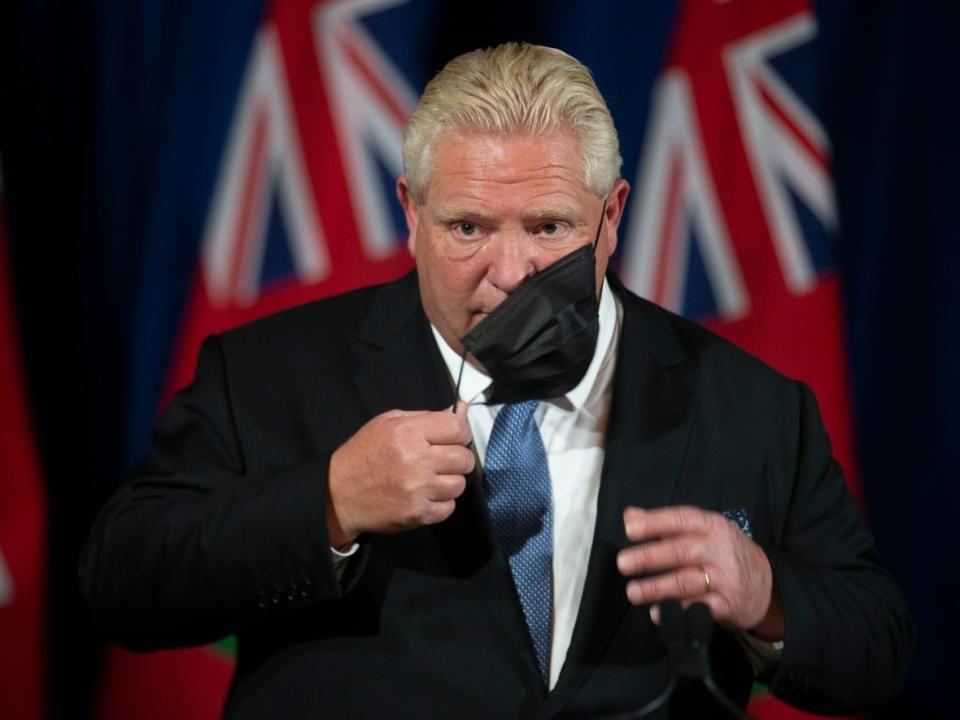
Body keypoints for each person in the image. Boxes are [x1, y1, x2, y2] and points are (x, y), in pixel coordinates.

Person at [80, 43, 912, 718]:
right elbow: (121, 582)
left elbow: (877, 650)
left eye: (548, 226)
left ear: (612, 216)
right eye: (467, 227)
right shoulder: (271, 372)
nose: (509, 271)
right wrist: (328, 502)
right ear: (411, 213)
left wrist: (766, 596)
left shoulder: (752, 406)